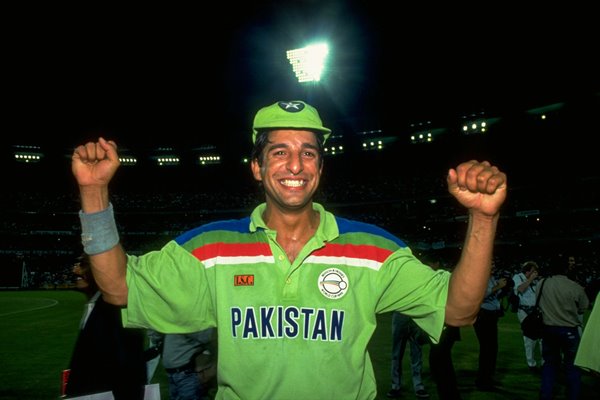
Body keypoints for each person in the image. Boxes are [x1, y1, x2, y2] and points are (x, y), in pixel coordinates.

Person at [70, 99, 507, 399]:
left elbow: (458, 310)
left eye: (308, 153)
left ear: (321, 165)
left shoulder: (373, 250)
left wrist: (484, 217)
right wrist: (94, 193)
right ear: (257, 167)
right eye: (279, 152)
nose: (295, 166)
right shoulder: (210, 249)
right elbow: (118, 288)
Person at [64, 254, 147, 399]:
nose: (75, 270)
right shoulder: (95, 305)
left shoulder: (115, 310)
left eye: (83, 264)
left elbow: (129, 370)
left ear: (101, 270)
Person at [537, 254, 589, 400]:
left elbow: (538, 302)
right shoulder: (574, 286)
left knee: (549, 365)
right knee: (572, 366)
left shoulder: (542, 283)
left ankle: (546, 395)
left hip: (548, 329)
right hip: (569, 329)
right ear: (566, 268)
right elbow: (583, 308)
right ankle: (573, 395)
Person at [149, 329, 216, 400]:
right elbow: (155, 336)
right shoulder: (172, 322)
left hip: (187, 374)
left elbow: (209, 337)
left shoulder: (188, 323)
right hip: (173, 373)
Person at [472, 262, 507, 391]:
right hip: (483, 316)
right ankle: (483, 381)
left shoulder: (491, 277)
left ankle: (487, 379)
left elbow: (492, 296)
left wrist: (501, 290)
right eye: (491, 264)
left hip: (491, 316)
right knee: (487, 349)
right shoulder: (479, 278)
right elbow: (479, 296)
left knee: (491, 349)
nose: (493, 266)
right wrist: (498, 287)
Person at [386, 312, 430, 398]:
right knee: (397, 354)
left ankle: (418, 386)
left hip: (415, 316)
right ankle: (396, 386)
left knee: (416, 353)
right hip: (401, 315)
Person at [512, 260, 543, 371]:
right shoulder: (518, 277)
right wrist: (530, 279)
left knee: (541, 337)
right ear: (528, 271)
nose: (536, 273)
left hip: (536, 311)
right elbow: (519, 289)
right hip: (524, 311)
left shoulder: (535, 280)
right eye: (533, 271)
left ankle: (544, 362)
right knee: (529, 339)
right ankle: (531, 364)